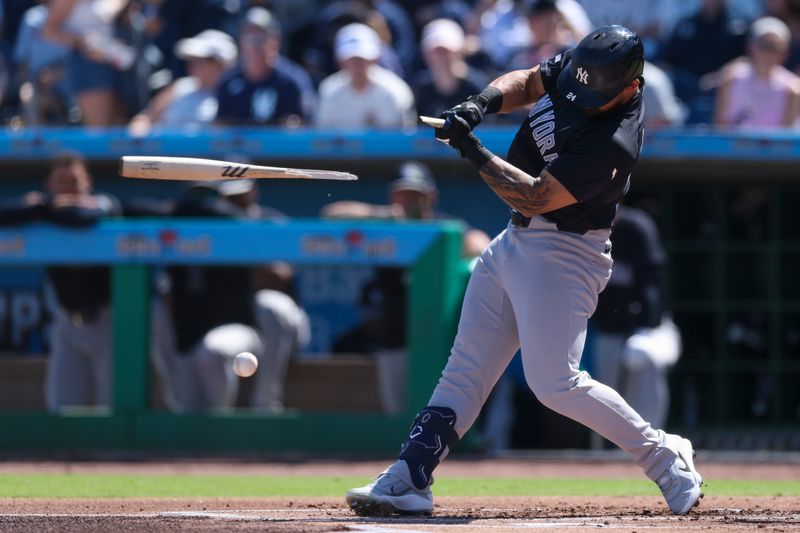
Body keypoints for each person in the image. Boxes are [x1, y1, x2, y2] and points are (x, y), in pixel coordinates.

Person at [345, 25, 703, 517]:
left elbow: (535, 195)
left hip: (566, 252)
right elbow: (530, 80)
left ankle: (665, 455)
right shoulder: (583, 70)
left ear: (631, 88)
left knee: (553, 381)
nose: (583, 95)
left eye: (597, 90)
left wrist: (471, 150)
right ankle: (409, 475)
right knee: (465, 367)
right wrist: (479, 104)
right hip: (516, 240)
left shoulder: (615, 140)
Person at [153, 179, 309, 412]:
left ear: (253, 191)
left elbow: (279, 276)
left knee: (270, 304)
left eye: (237, 195)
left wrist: (240, 241)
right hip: (205, 330)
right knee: (159, 305)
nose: (230, 202)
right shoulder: (190, 228)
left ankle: (265, 404)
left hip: (261, 325)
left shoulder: (262, 221)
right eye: (226, 197)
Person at [0, 152, 121, 411]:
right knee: (61, 405)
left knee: (112, 405)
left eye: (74, 181)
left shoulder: (103, 203)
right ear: (49, 184)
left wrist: (43, 209)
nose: (68, 188)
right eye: (61, 182)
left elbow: (83, 217)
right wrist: (46, 207)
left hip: (108, 320)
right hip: (66, 321)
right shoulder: (46, 208)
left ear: (87, 182)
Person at [591, 205, 681, 433]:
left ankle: (653, 438)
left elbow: (652, 285)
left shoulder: (636, 227)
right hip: (608, 331)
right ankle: (604, 451)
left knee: (642, 356)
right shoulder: (582, 231)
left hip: (652, 328)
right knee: (602, 388)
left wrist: (644, 326)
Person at [215, 7, 314, 126]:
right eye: (250, 39)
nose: (255, 46)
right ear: (241, 42)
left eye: (261, 39)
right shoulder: (229, 81)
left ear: (276, 42)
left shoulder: (292, 80)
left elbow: (301, 125)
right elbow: (220, 126)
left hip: (278, 144)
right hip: (239, 144)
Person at [128, 29, 237, 136]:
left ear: (220, 64)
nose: (192, 67)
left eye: (201, 62)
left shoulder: (231, 96)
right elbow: (146, 117)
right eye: (192, 61)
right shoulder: (179, 86)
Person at [42, 0, 133, 126]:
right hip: (90, 65)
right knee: (100, 129)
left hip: (119, 61)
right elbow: (49, 30)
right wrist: (83, 43)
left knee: (121, 126)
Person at [315, 23, 416, 129]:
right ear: (339, 61)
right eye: (351, 60)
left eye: (362, 59)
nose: (357, 65)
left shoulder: (394, 91)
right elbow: (323, 138)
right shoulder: (329, 91)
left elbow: (399, 140)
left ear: (375, 59)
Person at [714, 16, 800, 128]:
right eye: (765, 46)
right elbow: (721, 129)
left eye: (776, 48)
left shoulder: (793, 88)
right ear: (751, 47)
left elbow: (786, 138)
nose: (770, 54)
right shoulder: (730, 79)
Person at [409, 18, 489, 120]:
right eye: (435, 51)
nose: (441, 57)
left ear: (460, 52)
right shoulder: (419, 90)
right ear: (426, 55)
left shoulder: (479, 88)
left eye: (446, 51)